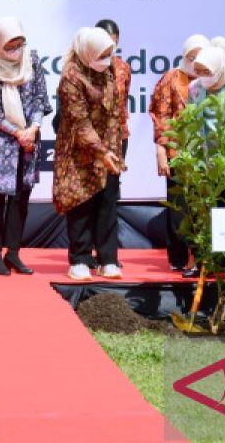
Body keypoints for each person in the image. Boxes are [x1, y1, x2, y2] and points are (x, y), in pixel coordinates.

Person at [0, 18, 51, 276]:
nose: (16, 49)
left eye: (20, 42)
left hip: (28, 139)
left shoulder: (32, 60)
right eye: (10, 44)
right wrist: (17, 132)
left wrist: (34, 128)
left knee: (20, 197)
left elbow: (41, 97)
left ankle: (14, 253)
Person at [54, 27, 125, 281]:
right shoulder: (71, 77)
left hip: (107, 145)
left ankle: (108, 259)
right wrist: (101, 151)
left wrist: (113, 150)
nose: (106, 59)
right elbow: (79, 122)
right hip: (78, 149)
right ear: (87, 52)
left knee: (107, 202)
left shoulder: (108, 69)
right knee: (81, 202)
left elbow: (115, 110)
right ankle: (80, 259)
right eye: (102, 54)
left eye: (109, 54)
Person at [148, 34, 205, 274]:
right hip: (178, 153)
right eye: (190, 57)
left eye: (199, 58)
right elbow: (160, 116)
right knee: (179, 208)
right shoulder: (172, 78)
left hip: (207, 156)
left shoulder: (213, 79)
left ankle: (203, 258)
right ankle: (179, 257)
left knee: (203, 207)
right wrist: (161, 151)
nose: (194, 62)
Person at [95, 19, 131, 157]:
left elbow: (123, 102)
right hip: (92, 139)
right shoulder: (83, 66)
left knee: (113, 179)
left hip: (118, 137)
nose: (110, 47)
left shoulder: (123, 68)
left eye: (114, 43)